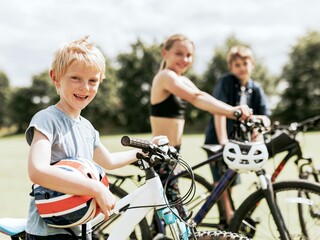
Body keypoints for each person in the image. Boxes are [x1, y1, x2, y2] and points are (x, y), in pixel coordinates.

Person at [25, 36, 164, 240]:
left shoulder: (87, 127)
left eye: (93, 81)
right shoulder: (47, 119)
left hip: (81, 225)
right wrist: (95, 187)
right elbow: (38, 171)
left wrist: (143, 150)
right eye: (76, 78)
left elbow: (108, 161)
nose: (85, 88)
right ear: (55, 77)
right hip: (49, 230)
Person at [149, 34, 252, 221]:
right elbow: (196, 99)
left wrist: (231, 110)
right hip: (161, 156)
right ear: (165, 52)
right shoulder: (165, 77)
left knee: (164, 217)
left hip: (171, 154)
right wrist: (233, 111)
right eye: (179, 53)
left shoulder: (180, 79)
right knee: (178, 219)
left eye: (189, 55)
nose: (185, 59)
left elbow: (201, 94)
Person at [204, 45, 271, 224]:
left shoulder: (255, 89)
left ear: (252, 64)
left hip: (239, 141)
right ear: (231, 67)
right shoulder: (226, 82)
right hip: (218, 138)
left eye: (245, 63)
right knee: (221, 180)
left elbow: (264, 116)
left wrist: (260, 132)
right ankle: (229, 216)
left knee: (231, 180)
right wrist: (223, 141)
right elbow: (218, 110)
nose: (241, 67)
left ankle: (227, 217)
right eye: (237, 64)